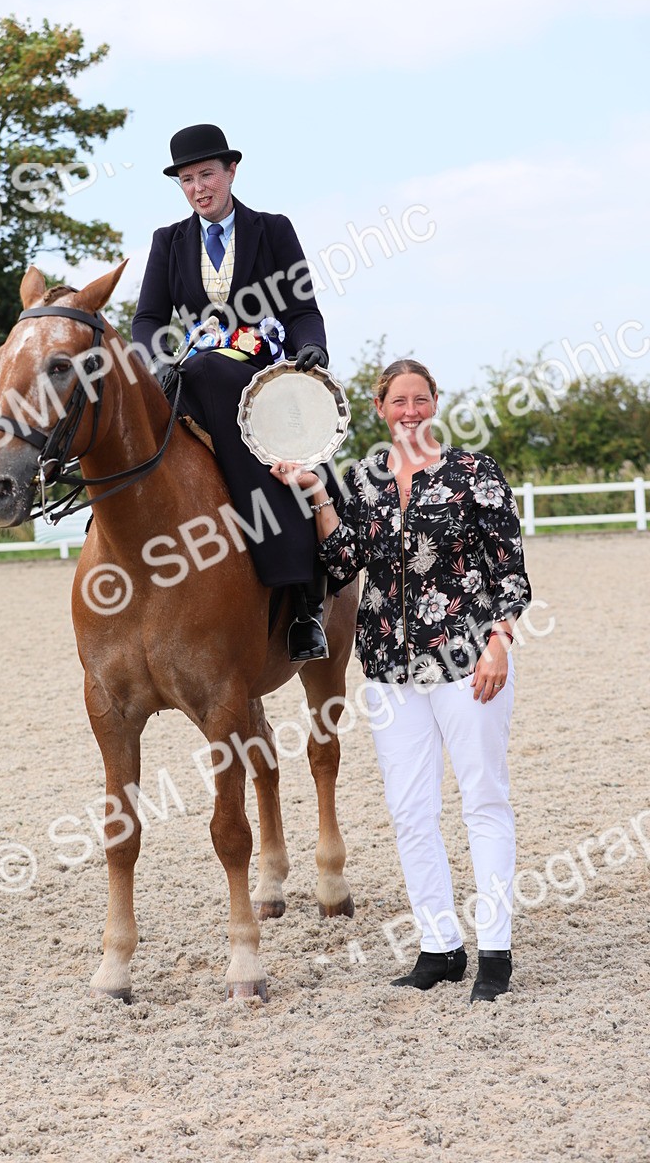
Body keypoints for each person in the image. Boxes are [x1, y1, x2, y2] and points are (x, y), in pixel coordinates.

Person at [272, 359, 532, 1002]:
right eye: (398, 401)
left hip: (468, 660)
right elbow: (343, 557)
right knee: (412, 812)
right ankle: (439, 947)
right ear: (381, 408)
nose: (410, 411)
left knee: (483, 802)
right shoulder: (364, 480)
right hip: (389, 668)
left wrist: (500, 641)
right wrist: (316, 494)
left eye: (420, 399)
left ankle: (494, 954)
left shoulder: (475, 474)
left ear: (436, 403)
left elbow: (511, 571)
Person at [132, 123, 334, 660]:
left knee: (285, 455)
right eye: (187, 180)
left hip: (263, 377)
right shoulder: (168, 242)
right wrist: (156, 361)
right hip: (196, 378)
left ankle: (303, 598)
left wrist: (312, 348)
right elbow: (149, 317)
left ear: (230, 172)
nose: (198, 188)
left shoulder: (273, 229)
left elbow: (301, 310)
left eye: (206, 175)